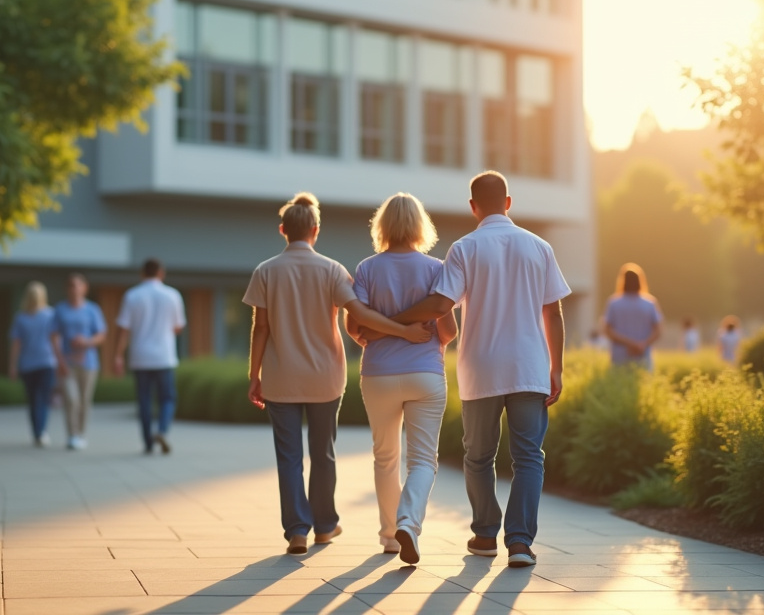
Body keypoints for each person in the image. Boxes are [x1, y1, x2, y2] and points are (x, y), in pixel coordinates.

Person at [389, 172, 570, 569]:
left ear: (473, 207)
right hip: (529, 367)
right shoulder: (539, 247)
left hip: (481, 368)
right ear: (508, 202)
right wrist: (556, 368)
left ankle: (485, 533)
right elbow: (553, 312)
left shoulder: (464, 248)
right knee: (529, 457)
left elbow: (440, 306)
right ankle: (520, 543)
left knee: (478, 457)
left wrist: (395, 319)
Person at [243, 192, 432, 557]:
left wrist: (255, 374)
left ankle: (297, 530)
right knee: (323, 452)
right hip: (325, 377)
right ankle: (325, 525)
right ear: (315, 230)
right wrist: (404, 331)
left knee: (288, 457)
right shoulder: (332, 270)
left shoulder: (265, 271)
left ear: (283, 230)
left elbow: (260, 328)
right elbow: (360, 315)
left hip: (280, 377)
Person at [345, 193, 459, 564]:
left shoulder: (366, 268)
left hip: (378, 373)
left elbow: (354, 324)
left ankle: (390, 537)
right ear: (420, 225)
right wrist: (423, 334)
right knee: (423, 460)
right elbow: (449, 329)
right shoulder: (435, 268)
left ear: (382, 225)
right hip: (425, 372)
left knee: (385, 458)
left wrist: (377, 335)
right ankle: (408, 522)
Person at [114, 259, 187, 455]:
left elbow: (123, 329)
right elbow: (178, 327)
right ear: (161, 273)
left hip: (140, 356)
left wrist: (118, 356)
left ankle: (148, 443)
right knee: (167, 398)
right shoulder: (173, 295)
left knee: (144, 400)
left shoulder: (132, 295)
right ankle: (162, 430)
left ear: (142, 273)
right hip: (164, 356)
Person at [54, 273, 108, 451]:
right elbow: (53, 337)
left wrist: (86, 341)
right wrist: (59, 360)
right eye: (70, 285)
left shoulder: (92, 310)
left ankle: (82, 434)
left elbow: (101, 335)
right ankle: (72, 435)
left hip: (89, 363)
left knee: (84, 400)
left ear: (84, 288)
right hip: (67, 362)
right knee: (71, 399)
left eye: (77, 285)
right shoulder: (60, 310)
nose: (74, 289)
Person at [9, 281, 63, 447]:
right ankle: (41, 432)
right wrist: (60, 360)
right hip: (46, 361)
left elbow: (16, 345)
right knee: (43, 399)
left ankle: (37, 431)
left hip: (28, 364)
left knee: (33, 400)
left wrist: (12, 365)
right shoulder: (50, 314)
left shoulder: (21, 317)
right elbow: (57, 340)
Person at [601, 264, 662, 371]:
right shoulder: (650, 303)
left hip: (619, 358)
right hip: (643, 356)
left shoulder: (614, 303)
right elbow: (658, 330)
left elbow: (607, 330)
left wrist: (629, 344)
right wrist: (642, 345)